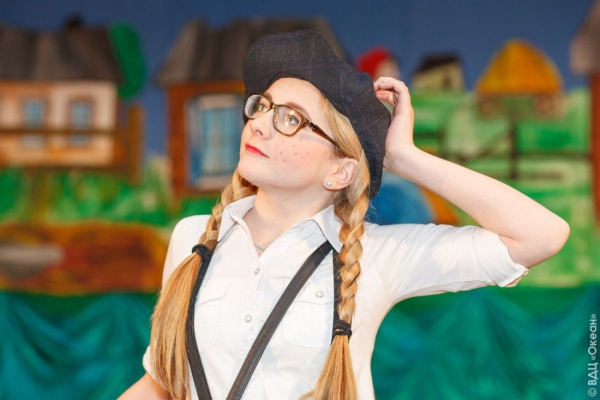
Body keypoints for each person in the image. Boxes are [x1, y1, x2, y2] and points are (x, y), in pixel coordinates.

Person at [119, 30, 569, 400]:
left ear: (340, 171)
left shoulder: (376, 255)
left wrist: (405, 159)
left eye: (291, 119)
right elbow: (162, 385)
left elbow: (541, 235)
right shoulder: (194, 238)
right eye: (262, 105)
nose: (259, 123)